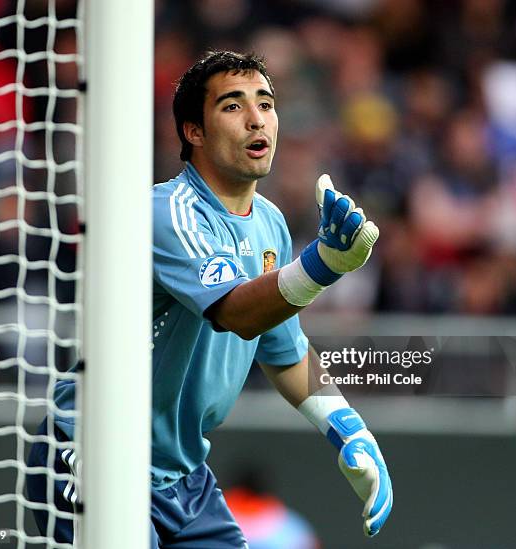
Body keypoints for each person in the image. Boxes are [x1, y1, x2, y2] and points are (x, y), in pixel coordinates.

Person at [26, 50, 392, 547]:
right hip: (95, 453)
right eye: (233, 106)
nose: (256, 118)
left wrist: (349, 429)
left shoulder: (270, 223)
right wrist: (324, 265)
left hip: (181, 474)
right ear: (193, 131)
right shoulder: (165, 213)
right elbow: (235, 312)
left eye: (265, 103)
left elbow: (284, 350)